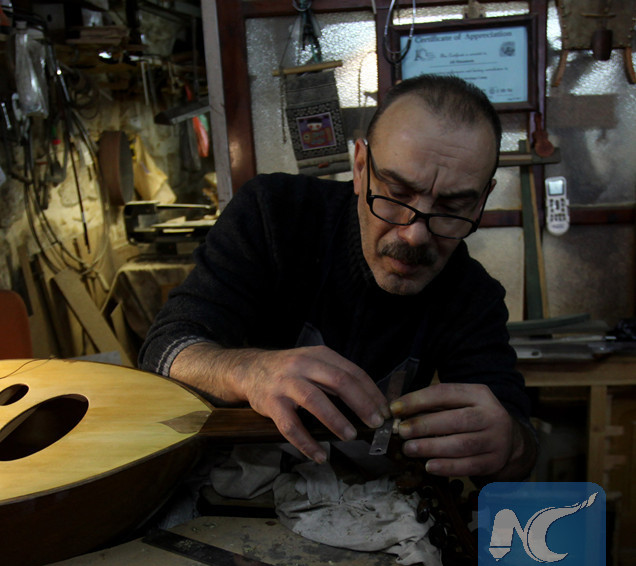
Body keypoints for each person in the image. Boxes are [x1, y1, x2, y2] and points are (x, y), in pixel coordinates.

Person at [139, 74, 537, 482]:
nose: (415, 235)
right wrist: (249, 370)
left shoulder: (472, 296)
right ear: (360, 167)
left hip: (370, 500)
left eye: (452, 207)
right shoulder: (274, 213)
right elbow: (164, 352)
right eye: (396, 193)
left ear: (482, 201)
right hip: (234, 484)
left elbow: (516, 444)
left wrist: (510, 444)